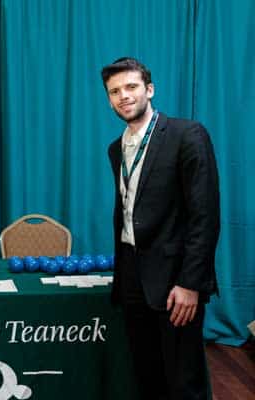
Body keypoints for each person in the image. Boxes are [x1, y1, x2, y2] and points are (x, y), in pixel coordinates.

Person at [101, 57, 220, 400]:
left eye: (131, 87)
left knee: (184, 382)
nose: (123, 96)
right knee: (147, 376)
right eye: (115, 91)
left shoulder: (187, 135)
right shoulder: (116, 148)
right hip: (132, 275)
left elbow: (204, 216)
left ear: (149, 90)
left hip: (174, 280)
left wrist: (190, 283)